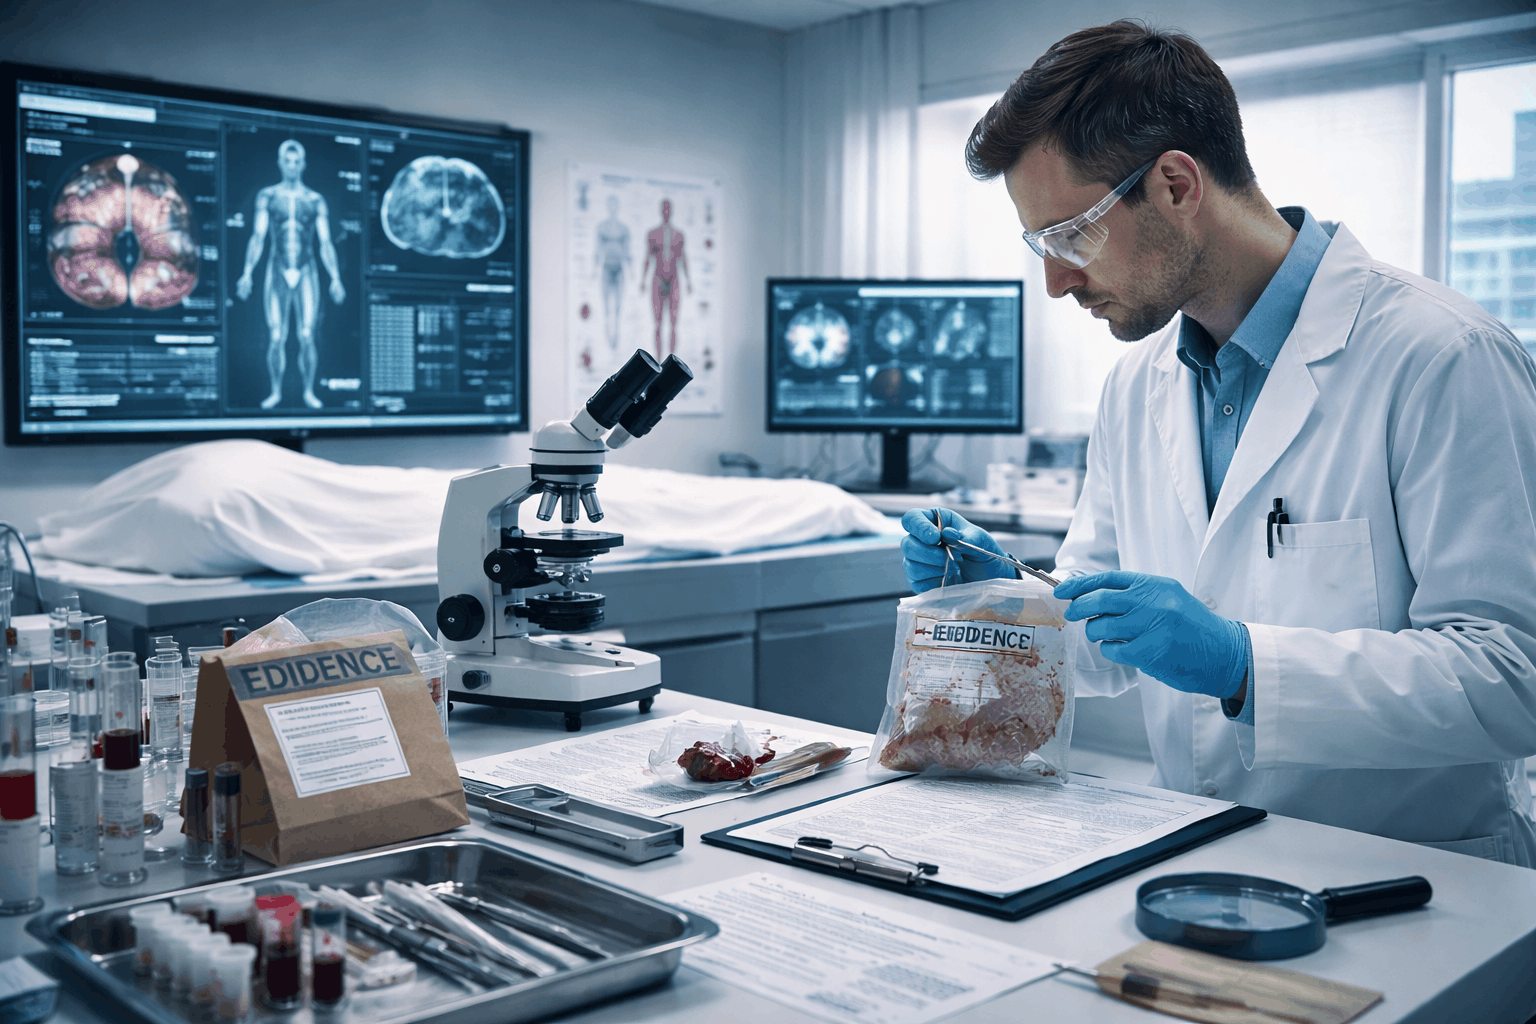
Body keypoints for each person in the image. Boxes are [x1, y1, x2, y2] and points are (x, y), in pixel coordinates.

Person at [901, 21, 1536, 865]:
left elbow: (1513, 674)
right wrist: (1013, 605)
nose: (1054, 283)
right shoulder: (1140, 380)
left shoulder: (1442, 355)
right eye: (1039, 245)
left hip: (1415, 874)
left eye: (1070, 237)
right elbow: (1106, 625)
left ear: (1174, 184)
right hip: (1196, 859)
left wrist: (1242, 664)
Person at [236, 139, 346, 411]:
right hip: (277, 269)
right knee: (276, 336)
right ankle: (275, 392)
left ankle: (308, 392)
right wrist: (247, 272)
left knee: (307, 335)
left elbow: (325, 242)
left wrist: (335, 277)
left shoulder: (315, 200)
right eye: (288, 161)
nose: (293, 166)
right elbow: (258, 236)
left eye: (297, 161)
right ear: (280, 163)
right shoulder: (268, 196)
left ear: (304, 164)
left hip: (306, 269)